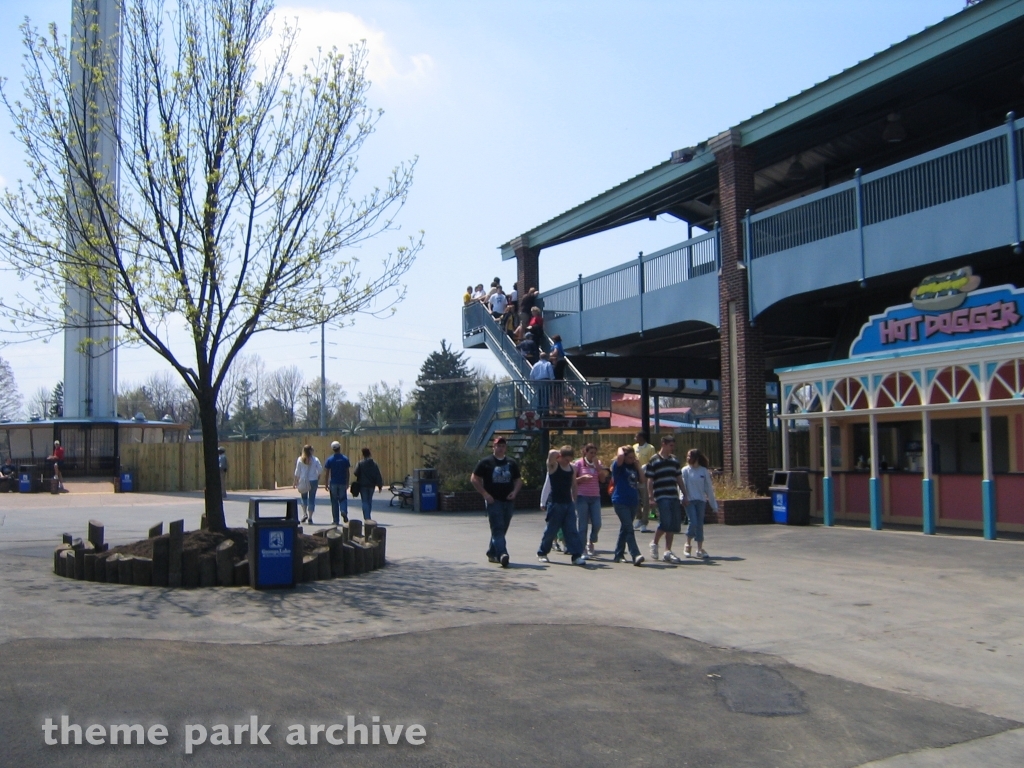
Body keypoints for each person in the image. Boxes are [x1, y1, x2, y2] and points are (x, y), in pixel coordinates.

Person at [470, 436, 522, 567]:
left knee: (502, 528)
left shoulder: (511, 463)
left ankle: (492, 552)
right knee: (498, 527)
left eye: (503, 446)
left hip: (508, 501)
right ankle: (502, 554)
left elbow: (518, 480)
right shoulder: (486, 462)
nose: (500, 448)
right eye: (498, 446)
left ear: (506, 448)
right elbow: (474, 478)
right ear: (494, 447)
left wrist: (514, 492)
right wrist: (485, 494)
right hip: (494, 501)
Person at [537, 446, 587, 566]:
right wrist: (560, 453)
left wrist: (574, 500)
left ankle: (576, 556)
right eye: (565, 459)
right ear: (560, 457)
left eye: (569, 460)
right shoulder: (553, 466)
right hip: (555, 503)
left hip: (568, 503)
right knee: (551, 530)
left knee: (571, 530)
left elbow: (574, 485)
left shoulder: (572, 468)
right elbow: (551, 453)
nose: (567, 462)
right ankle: (542, 552)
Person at [646, 435, 686, 563]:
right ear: (663, 444)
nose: (672, 448)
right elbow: (650, 480)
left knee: (674, 524)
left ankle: (667, 551)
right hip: (661, 495)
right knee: (666, 522)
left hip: (673, 494)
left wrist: (685, 494)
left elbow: (679, 478)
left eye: (673, 445)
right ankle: (654, 543)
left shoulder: (674, 460)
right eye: (671, 445)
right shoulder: (654, 460)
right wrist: (651, 497)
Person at [610, 445, 645, 565]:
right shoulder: (618, 466)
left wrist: (638, 466)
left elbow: (642, 480)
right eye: (629, 457)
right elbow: (619, 456)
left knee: (625, 528)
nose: (631, 459)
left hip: (633, 501)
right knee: (629, 528)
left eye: (633, 457)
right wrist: (621, 448)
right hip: (620, 501)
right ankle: (635, 554)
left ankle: (618, 554)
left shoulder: (633, 467)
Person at [681, 448, 717, 559]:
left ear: (696, 458)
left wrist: (713, 505)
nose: (687, 458)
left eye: (690, 456)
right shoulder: (685, 470)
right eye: (687, 456)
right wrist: (683, 498)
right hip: (689, 500)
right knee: (693, 522)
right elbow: (682, 486)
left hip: (701, 501)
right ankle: (687, 544)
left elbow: (708, 488)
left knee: (700, 524)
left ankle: (699, 548)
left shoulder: (703, 471)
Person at [573, 443, 607, 557]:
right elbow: (572, 480)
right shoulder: (578, 464)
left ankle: (591, 541)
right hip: (582, 496)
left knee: (597, 523)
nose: (593, 455)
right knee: (582, 525)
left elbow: (602, 480)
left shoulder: (598, 464)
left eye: (594, 453)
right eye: (591, 453)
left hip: (595, 496)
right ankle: (582, 549)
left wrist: (598, 468)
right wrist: (581, 479)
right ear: (585, 452)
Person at [632, 432, 657, 532]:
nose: (635, 438)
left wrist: (645, 467)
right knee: (636, 499)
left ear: (641, 438)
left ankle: (644, 522)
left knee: (645, 500)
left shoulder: (650, 448)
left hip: (645, 476)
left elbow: (652, 461)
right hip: (635, 476)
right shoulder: (634, 447)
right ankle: (639, 518)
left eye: (636, 437)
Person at [293, 444, 323, 524]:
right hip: (313, 480)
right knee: (312, 498)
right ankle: (310, 517)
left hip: (303, 480)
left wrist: (295, 481)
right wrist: (318, 476)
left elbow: (297, 471)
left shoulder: (300, 459)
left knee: (304, 497)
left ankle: (304, 514)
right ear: (311, 451)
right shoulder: (315, 459)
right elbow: (320, 469)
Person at [324, 441, 351, 525]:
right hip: (342, 482)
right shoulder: (345, 459)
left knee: (334, 501)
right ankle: (343, 511)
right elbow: (347, 472)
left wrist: (326, 483)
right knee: (343, 499)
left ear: (333, 449)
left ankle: (336, 520)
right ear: (340, 448)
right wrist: (347, 482)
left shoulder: (330, 459)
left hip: (333, 483)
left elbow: (327, 472)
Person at [354, 447, 384, 520]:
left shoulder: (360, 463)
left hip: (362, 485)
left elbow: (355, 473)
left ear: (363, 454)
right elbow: (378, 474)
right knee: (369, 501)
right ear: (370, 454)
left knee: (364, 501)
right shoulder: (374, 464)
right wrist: (380, 485)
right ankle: (368, 516)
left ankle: (366, 516)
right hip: (371, 485)